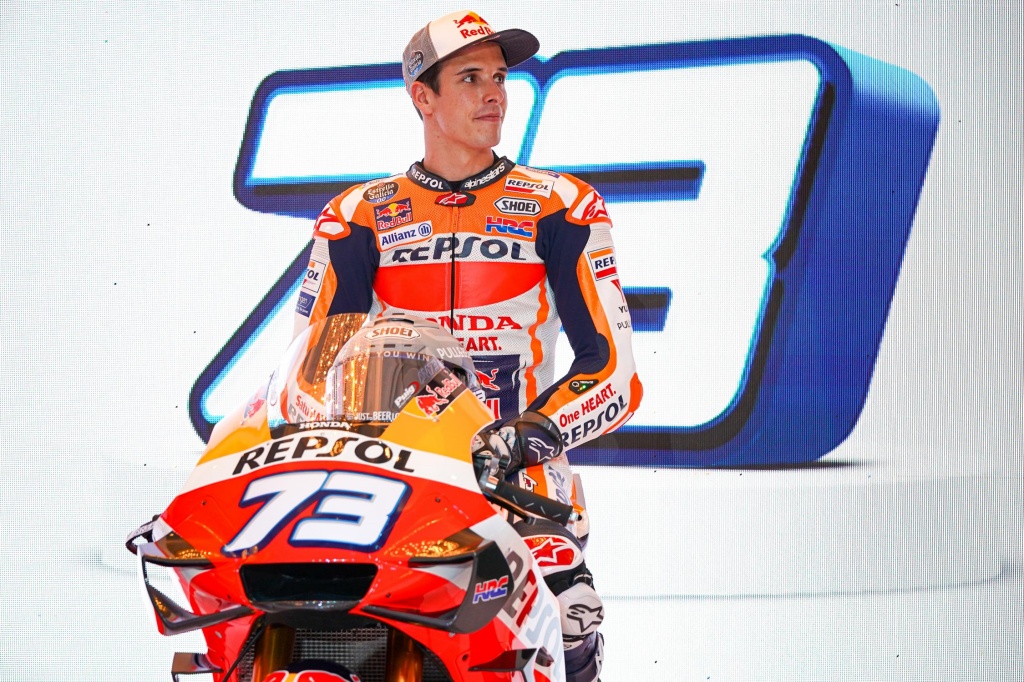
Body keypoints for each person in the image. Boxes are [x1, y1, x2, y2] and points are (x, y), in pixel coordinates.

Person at [292, 10, 642, 681]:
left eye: (501, 78)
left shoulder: (561, 204)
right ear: (422, 96)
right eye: (471, 78)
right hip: (398, 479)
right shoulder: (357, 214)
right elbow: (312, 369)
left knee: (566, 627)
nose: (494, 95)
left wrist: (523, 437)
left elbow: (614, 371)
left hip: (524, 482)